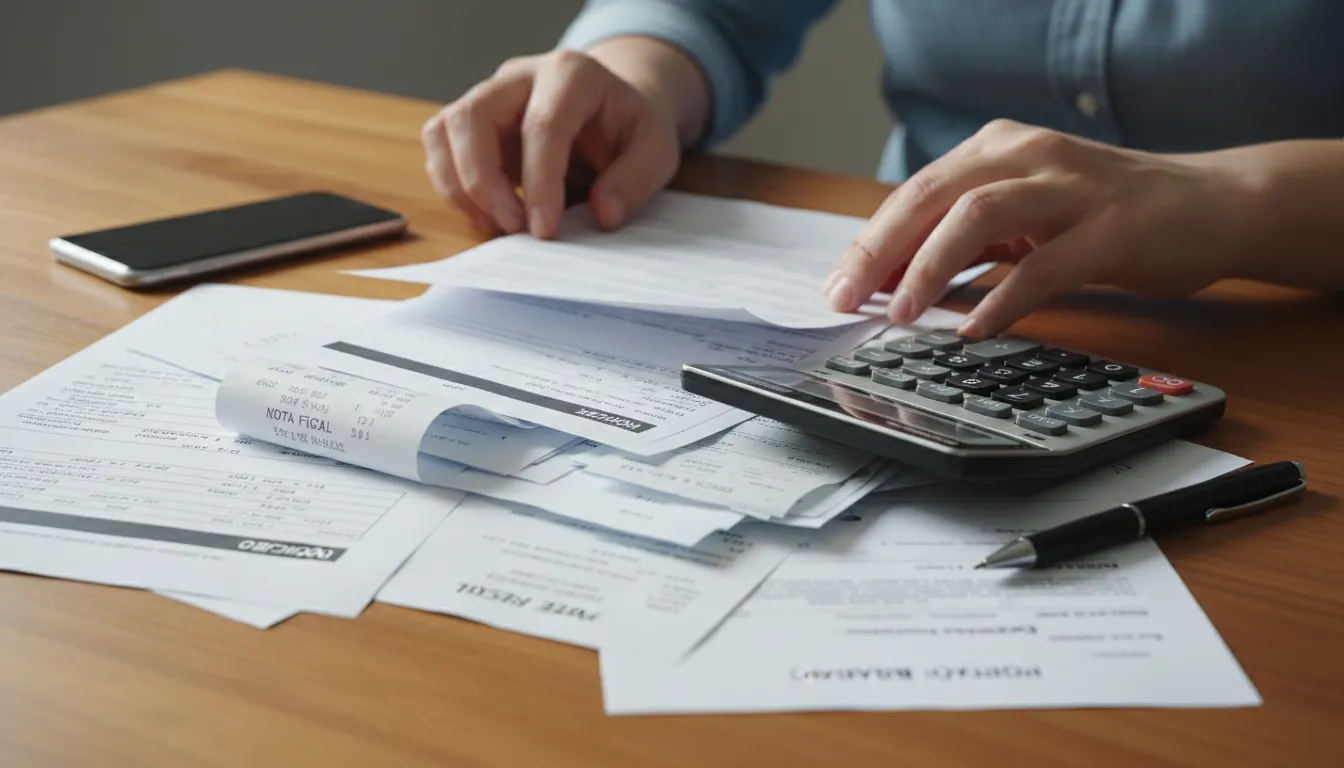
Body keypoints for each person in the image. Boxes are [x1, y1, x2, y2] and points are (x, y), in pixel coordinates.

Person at [420, 1, 1344, 337]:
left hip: (1287, 350)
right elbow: (714, 11)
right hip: (919, 315)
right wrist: (630, 80)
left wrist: (1236, 199)